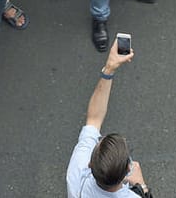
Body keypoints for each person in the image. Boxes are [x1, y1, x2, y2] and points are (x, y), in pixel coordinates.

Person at [66, 42, 154, 198]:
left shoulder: (77, 176)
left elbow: (93, 119)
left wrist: (109, 69)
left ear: (90, 164)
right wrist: (142, 187)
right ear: (129, 169)